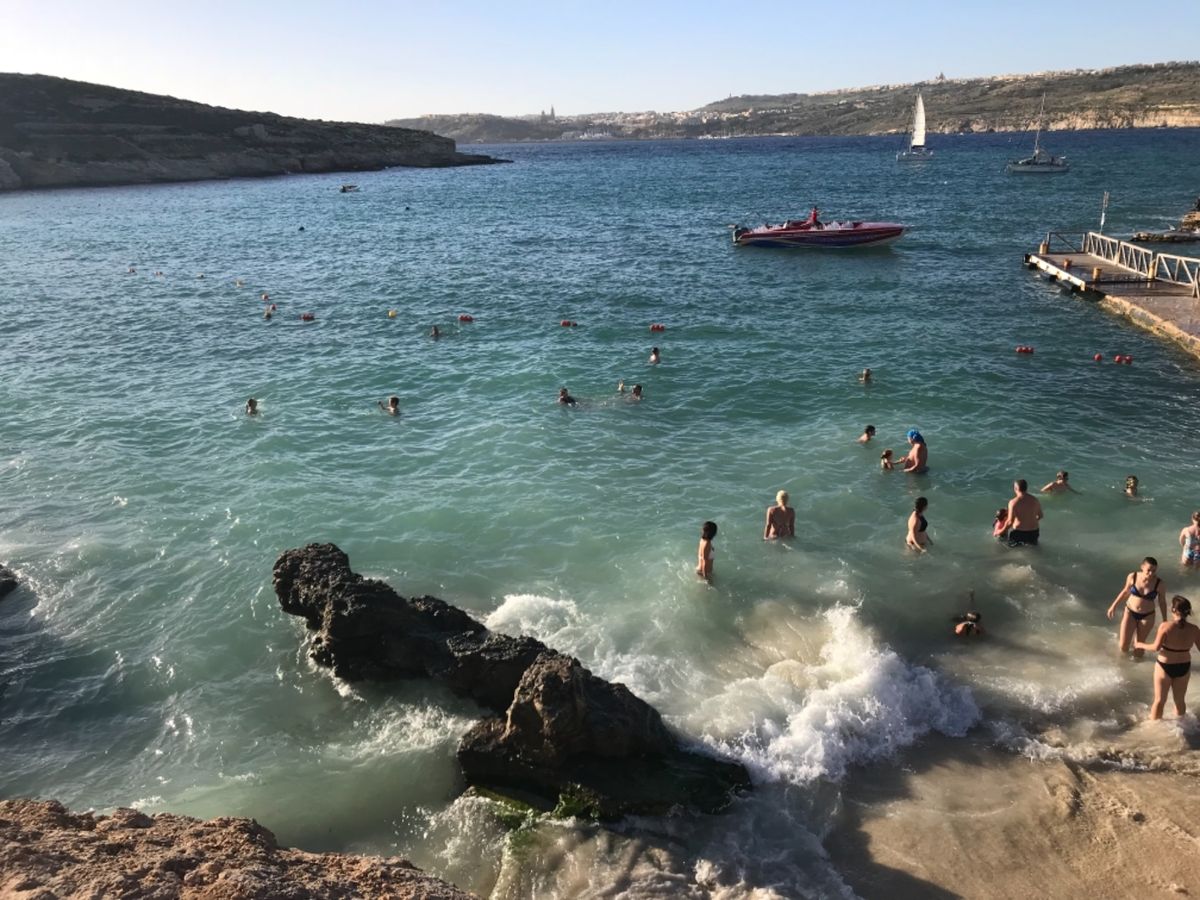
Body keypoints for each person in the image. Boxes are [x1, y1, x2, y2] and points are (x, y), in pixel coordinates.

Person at [1134, 595, 1199, 720]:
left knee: (1159, 700)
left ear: (1173, 610)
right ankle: (1182, 726)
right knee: (1180, 701)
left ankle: (1154, 729)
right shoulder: (1194, 629)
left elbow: (1155, 647)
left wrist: (1139, 644)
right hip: (1184, 666)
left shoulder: (1165, 626)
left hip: (1165, 665)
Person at [1107, 557, 1167, 657]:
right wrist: (1113, 606)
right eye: (1148, 570)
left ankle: (1136, 666)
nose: (1151, 573)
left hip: (1147, 616)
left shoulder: (1159, 584)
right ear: (1142, 567)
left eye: (1154, 571)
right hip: (1130, 612)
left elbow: (1162, 602)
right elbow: (1125, 591)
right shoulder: (1133, 576)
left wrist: (1165, 620)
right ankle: (1123, 666)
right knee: (1123, 646)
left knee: (1139, 649)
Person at [1006, 480, 1042, 546]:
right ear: (1026, 488)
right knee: (1033, 549)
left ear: (1015, 488)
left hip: (1019, 532)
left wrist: (1002, 531)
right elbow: (1040, 515)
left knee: (1012, 551)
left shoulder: (1013, 502)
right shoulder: (1035, 500)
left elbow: (1010, 522)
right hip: (1034, 531)